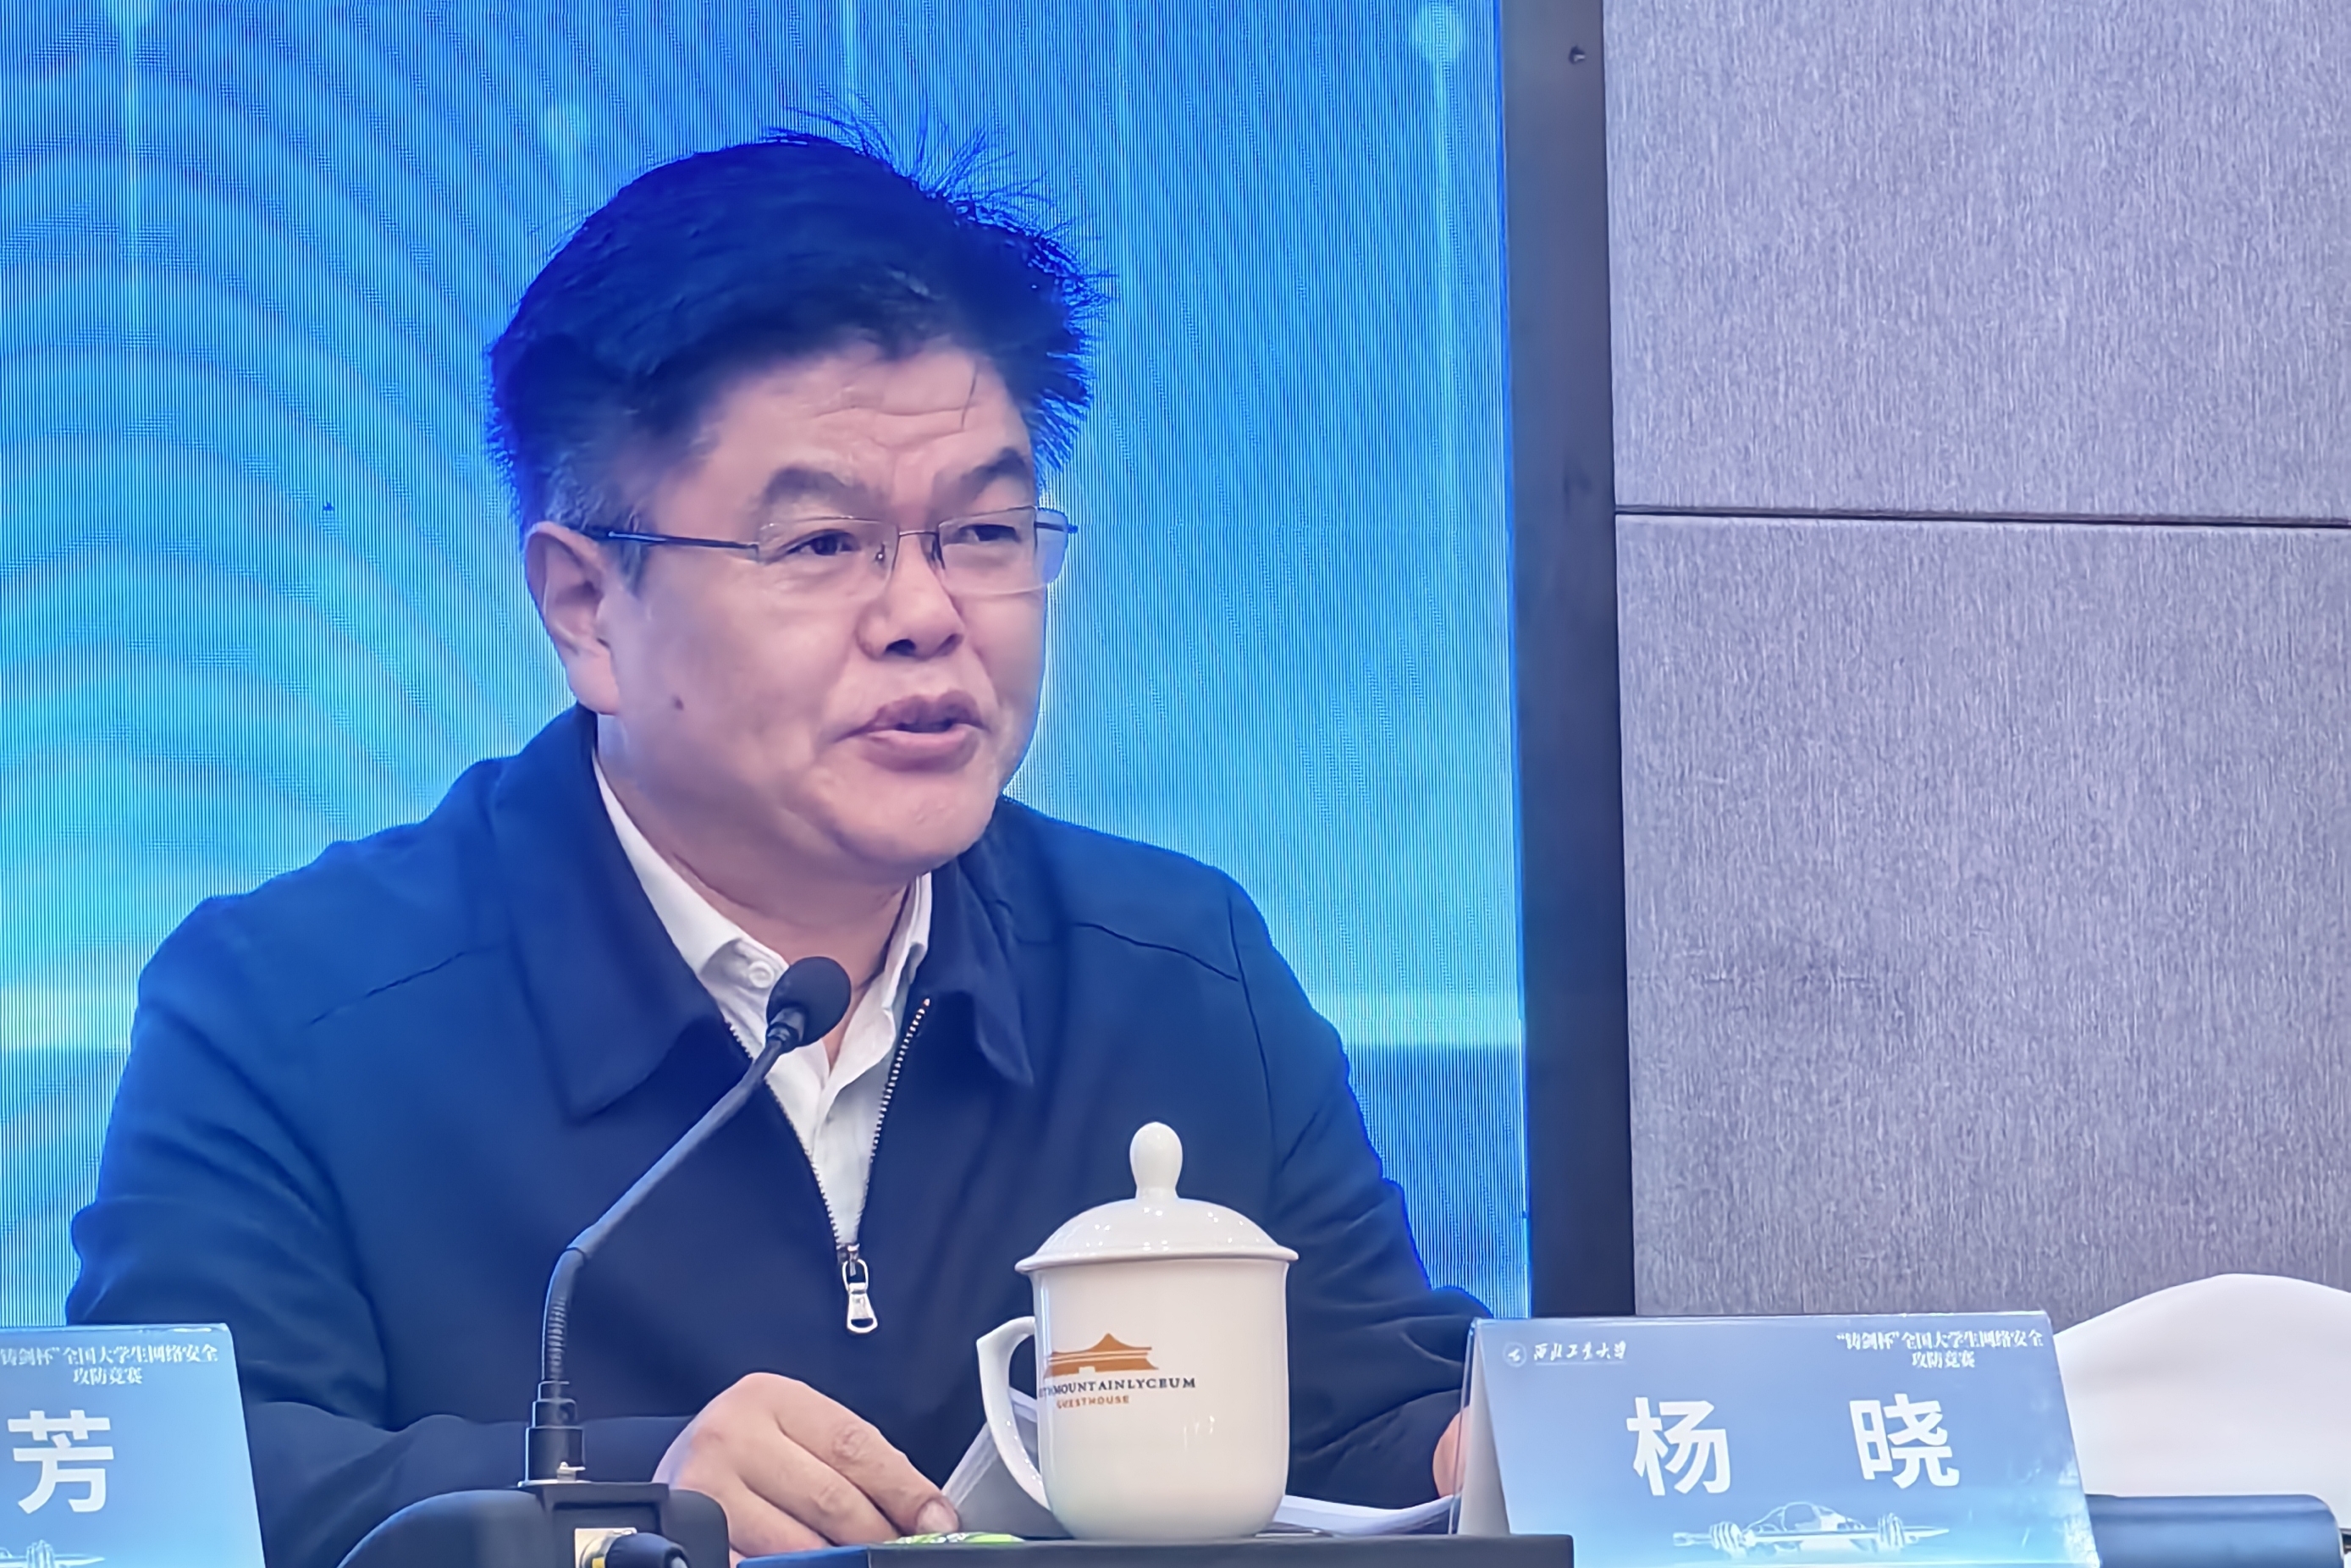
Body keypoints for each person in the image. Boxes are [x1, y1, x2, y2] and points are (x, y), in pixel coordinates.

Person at [67, 128, 1478, 1568]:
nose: (926, 614)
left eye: (986, 532)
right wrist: (626, 1501)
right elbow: (159, 1500)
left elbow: (1372, 1414)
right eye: (820, 546)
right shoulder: (289, 1008)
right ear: (584, 610)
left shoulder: (1180, 974)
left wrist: (1480, 1450)